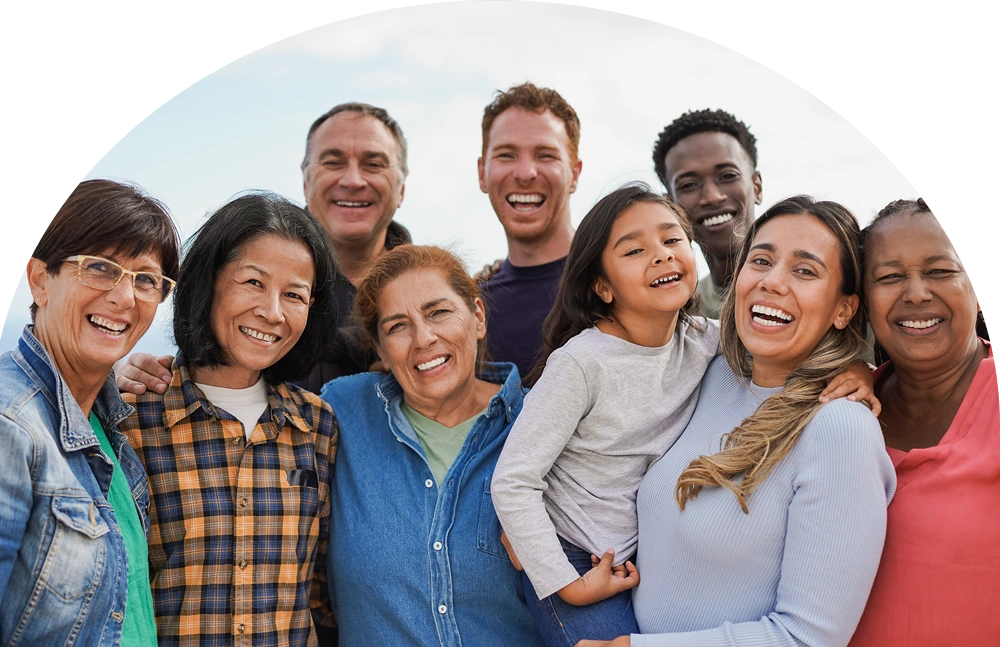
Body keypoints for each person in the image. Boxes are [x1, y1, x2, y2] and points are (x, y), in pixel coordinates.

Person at [580, 196, 896, 647]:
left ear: (844, 309)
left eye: (804, 271)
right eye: (761, 260)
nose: (772, 282)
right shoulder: (706, 374)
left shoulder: (841, 429)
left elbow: (808, 638)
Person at [491, 183, 718, 645]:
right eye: (634, 250)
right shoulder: (582, 363)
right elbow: (513, 480)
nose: (661, 255)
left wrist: (861, 368)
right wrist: (566, 585)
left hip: (647, 555)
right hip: (572, 555)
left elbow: (783, 350)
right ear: (602, 286)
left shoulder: (703, 339)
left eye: (672, 240)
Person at [119, 193, 339, 647]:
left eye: (294, 295)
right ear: (208, 281)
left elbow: (321, 588)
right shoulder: (131, 416)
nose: (273, 311)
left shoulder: (318, 426)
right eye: (253, 282)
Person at [319, 245, 545, 647]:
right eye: (397, 326)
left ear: (477, 316)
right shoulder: (342, 411)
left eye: (438, 312)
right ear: (381, 351)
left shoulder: (541, 422)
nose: (424, 338)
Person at [118, 102, 411, 395]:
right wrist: (130, 375)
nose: (352, 180)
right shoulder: (234, 277)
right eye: (333, 162)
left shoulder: (433, 300)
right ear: (306, 178)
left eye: (373, 164)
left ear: (401, 187)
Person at [0, 178, 180, 646]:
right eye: (100, 268)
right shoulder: (10, 425)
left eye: (146, 279)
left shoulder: (109, 427)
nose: (125, 297)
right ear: (40, 278)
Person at [848, 198, 1000, 646]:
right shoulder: (840, 409)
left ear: (979, 284)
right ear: (861, 303)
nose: (915, 293)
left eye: (939, 271)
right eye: (890, 277)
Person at [477, 82, 583, 377]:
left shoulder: (619, 285)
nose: (525, 173)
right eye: (507, 155)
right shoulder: (468, 311)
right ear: (482, 173)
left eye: (545, 155)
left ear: (574, 174)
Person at [652, 109, 763, 318]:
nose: (712, 197)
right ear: (671, 207)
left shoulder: (816, 289)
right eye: (689, 185)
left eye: (727, 176)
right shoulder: (678, 316)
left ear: (756, 186)